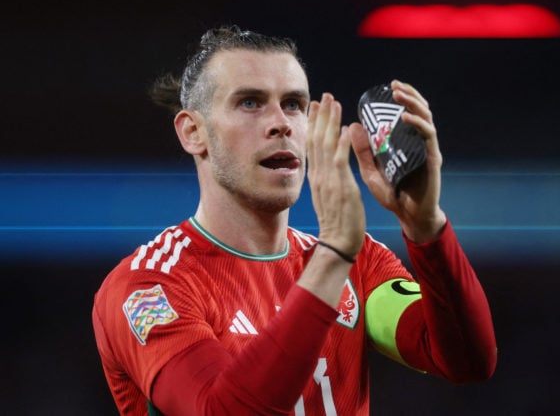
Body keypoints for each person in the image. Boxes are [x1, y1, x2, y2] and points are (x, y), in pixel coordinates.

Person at [92, 25, 497, 416]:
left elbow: (467, 361)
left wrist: (426, 227)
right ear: (193, 132)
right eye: (249, 102)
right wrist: (332, 256)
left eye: (293, 104)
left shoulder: (358, 264)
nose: (281, 123)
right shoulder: (148, 287)